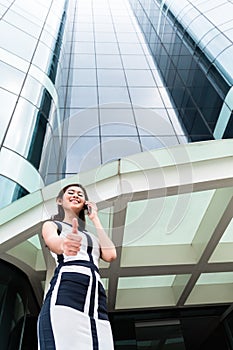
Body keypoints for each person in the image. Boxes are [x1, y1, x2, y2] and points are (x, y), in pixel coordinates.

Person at [37, 183, 117, 349]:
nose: (76, 195)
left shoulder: (92, 237)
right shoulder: (52, 225)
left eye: (80, 194)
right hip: (68, 288)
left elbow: (110, 255)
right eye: (71, 192)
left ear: (85, 203)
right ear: (60, 200)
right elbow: (53, 242)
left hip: (97, 298)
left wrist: (95, 218)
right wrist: (64, 245)